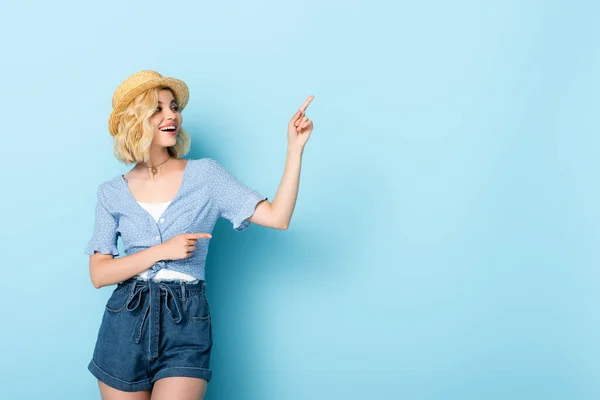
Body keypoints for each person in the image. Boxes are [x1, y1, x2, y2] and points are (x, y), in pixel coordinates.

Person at [85, 70, 314, 400]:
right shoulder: (110, 193)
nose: (171, 116)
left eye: (174, 107)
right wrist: (162, 250)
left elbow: (278, 218)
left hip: (186, 319)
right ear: (135, 119)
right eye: (158, 108)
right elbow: (98, 274)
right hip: (125, 322)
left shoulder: (205, 176)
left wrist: (294, 149)